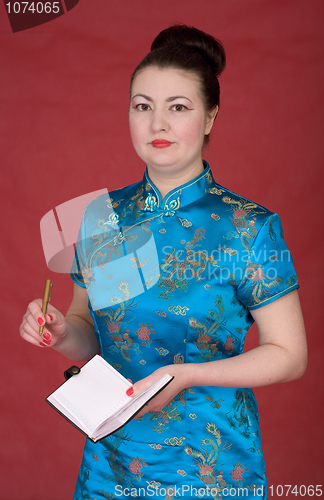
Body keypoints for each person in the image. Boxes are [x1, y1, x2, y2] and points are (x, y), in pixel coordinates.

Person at [20, 25, 307, 500]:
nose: (158, 124)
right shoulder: (104, 216)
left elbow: (289, 355)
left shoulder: (249, 226)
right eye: (142, 107)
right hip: (110, 465)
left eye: (178, 107)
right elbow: (90, 334)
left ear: (210, 117)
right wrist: (62, 331)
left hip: (213, 470)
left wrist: (190, 374)